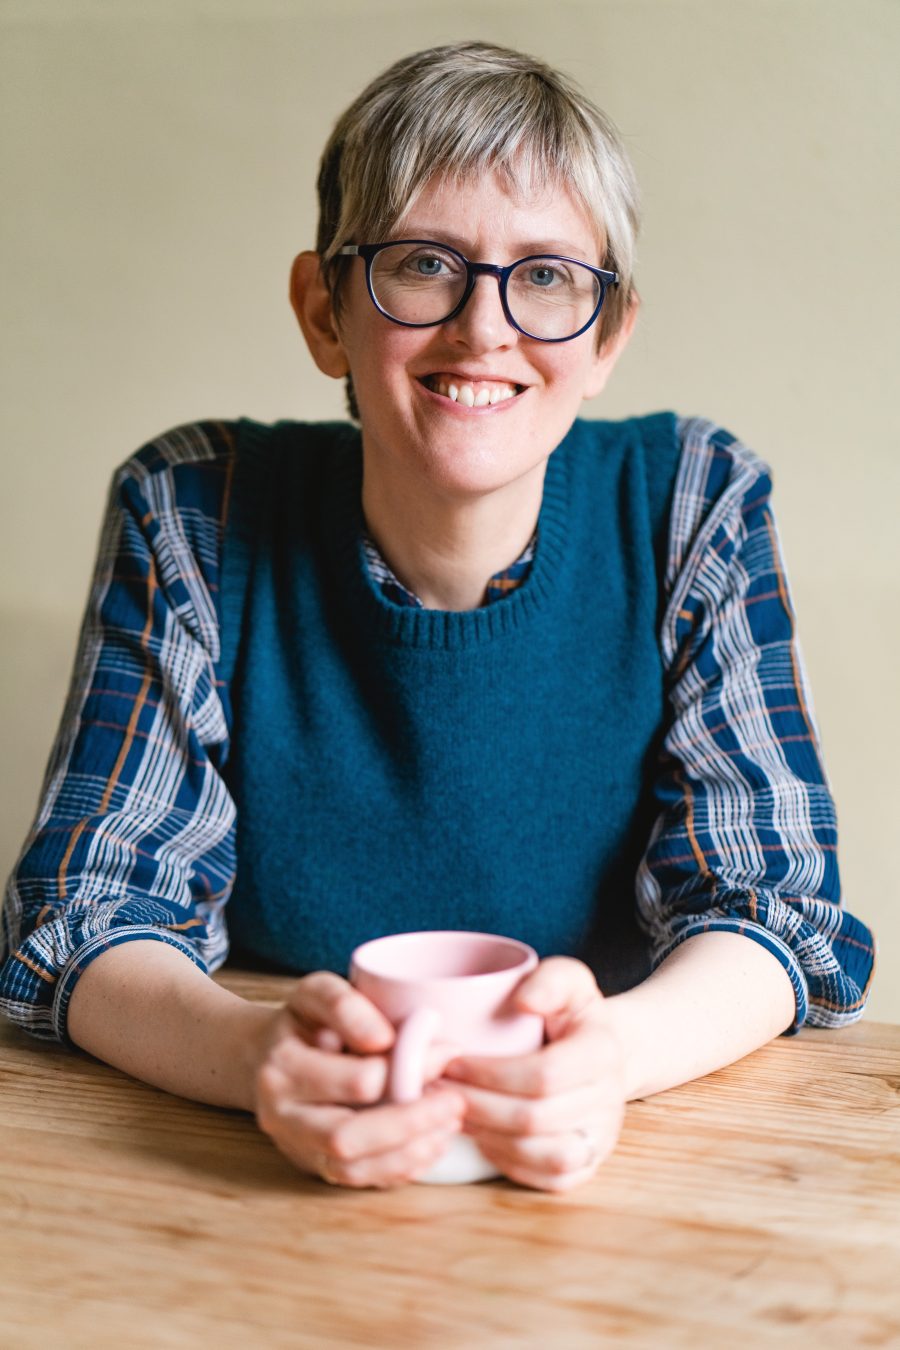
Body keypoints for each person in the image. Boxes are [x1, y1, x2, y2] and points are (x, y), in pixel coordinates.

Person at [0, 41, 874, 1192]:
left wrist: (611, 1055)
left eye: (550, 276)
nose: (484, 327)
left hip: (608, 1155)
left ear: (609, 335)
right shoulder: (192, 509)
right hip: (262, 1159)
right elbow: (80, 912)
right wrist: (255, 1054)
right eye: (424, 265)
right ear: (325, 313)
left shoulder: (692, 504)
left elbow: (776, 908)